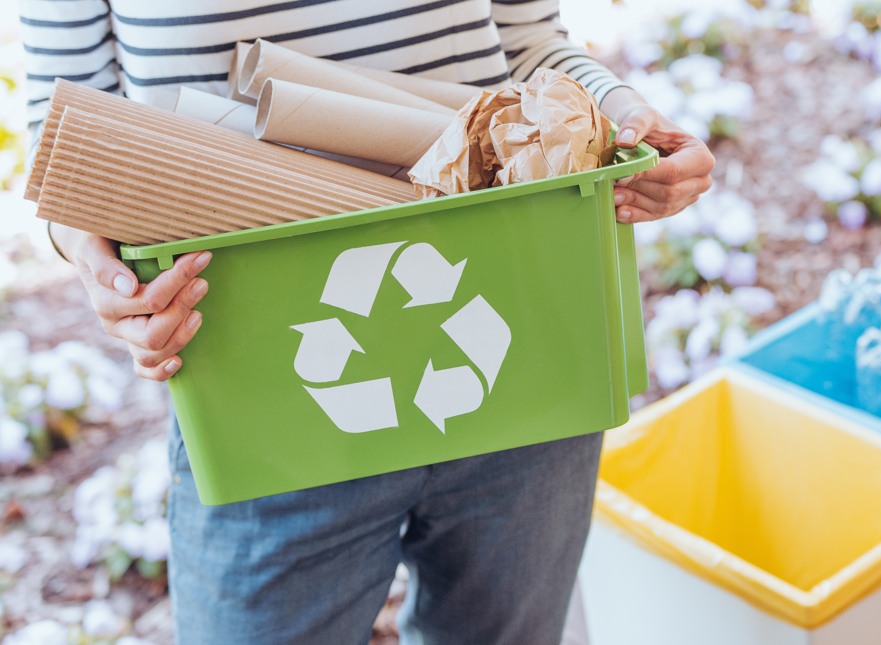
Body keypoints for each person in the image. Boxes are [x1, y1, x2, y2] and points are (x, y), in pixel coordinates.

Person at [19, 1, 715, 642]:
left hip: (516, 347)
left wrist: (630, 121)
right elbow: (68, 129)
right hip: (260, 387)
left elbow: (527, 43)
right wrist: (96, 267)